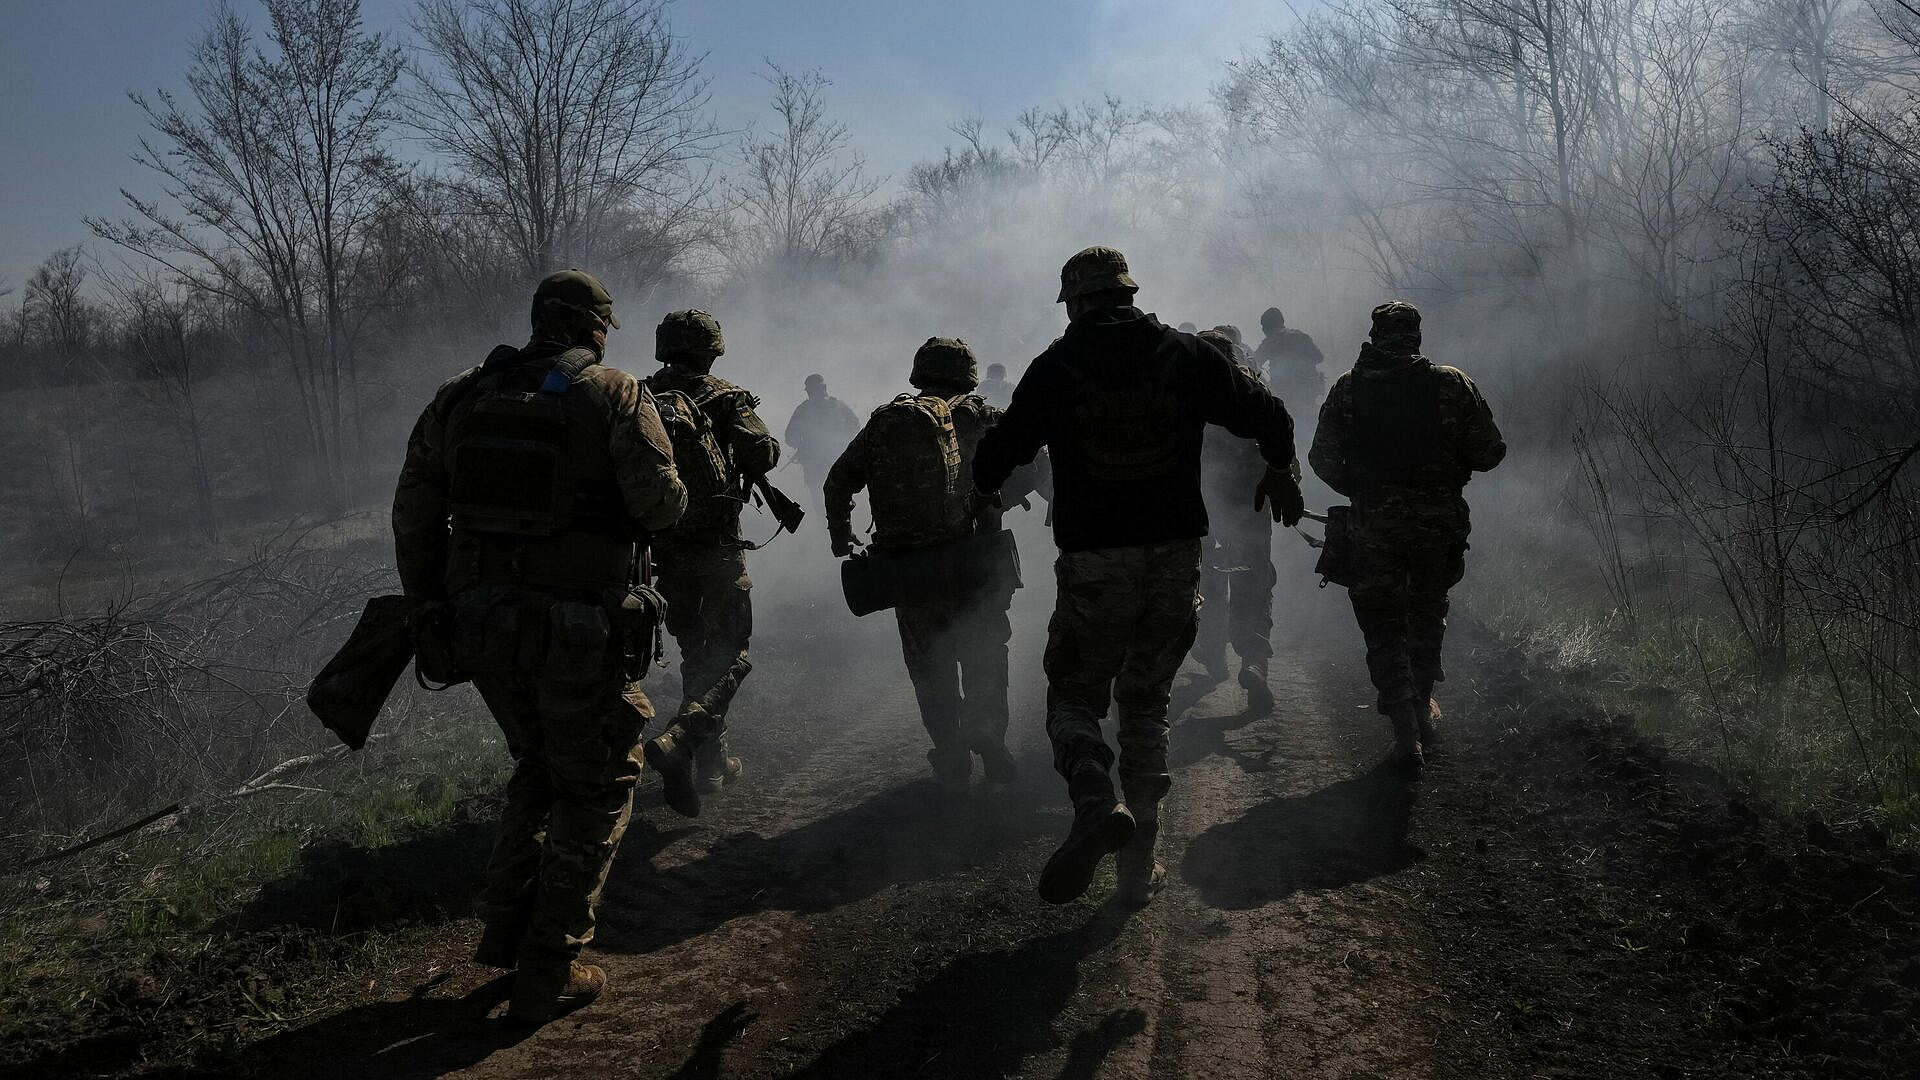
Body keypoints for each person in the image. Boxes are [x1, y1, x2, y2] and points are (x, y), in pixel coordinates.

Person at [391, 269, 686, 1023]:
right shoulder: (615, 393)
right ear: (594, 327)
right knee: (601, 780)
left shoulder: (462, 394)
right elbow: (662, 504)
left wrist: (430, 604)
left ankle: (503, 925)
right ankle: (549, 962)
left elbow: (414, 510)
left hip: (478, 628)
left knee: (539, 763)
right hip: (577, 633)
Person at [973, 246, 1302, 908]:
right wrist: (1279, 467)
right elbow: (1270, 415)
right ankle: (1138, 866)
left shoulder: (1056, 366)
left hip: (1095, 560)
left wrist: (993, 485)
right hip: (1175, 557)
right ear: (1128, 293)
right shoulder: (1187, 355)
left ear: (1074, 302)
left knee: (1073, 696)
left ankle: (1096, 797)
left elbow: (994, 460)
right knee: (1147, 702)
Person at [824, 338, 1047, 790]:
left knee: (930, 666)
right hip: (976, 566)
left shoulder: (886, 423)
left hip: (910, 572)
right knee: (985, 654)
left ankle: (949, 751)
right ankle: (987, 732)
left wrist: (841, 534)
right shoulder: (985, 418)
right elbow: (1039, 466)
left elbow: (837, 480)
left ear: (919, 374)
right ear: (967, 374)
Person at [1308, 301, 1505, 774]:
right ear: (1416, 336)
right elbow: (1489, 452)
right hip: (1437, 524)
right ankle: (1420, 708)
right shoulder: (1451, 385)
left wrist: (1363, 489)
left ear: (1375, 336)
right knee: (1425, 612)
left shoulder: (1348, 390)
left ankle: (1403, 726)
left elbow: (1321, 459)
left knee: (1381, 622)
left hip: (1374, 525)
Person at [639, 311, 782, 815]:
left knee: (696, 652)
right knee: (732, 654)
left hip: (662, 556)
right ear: (712, 348)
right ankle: (681, 741)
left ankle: (711, 763)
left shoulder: (637, 397)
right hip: (719, 549)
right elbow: (763, 454)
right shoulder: (726, 398)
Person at [1191, 329, 1279, 712]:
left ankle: (1212, 654)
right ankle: (1254, 659)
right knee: (1253, 581)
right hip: (1250, 507)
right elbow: (1279, 443)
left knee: (1205, 581)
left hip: (1200, 509)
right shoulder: (1253, 393)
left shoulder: (1183, 394)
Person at [783, 373, 860, 512]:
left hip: (830, 461)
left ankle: (830, 529)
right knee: (833, 501)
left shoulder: (806, 409)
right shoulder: (836, 405)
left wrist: (802, 446)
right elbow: (790, 436)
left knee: (827, 502)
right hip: (826, 462)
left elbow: (790, 437)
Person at [1253, 307, 1326, 428]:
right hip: (1308, 394)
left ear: (1268, 326)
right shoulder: (1301, 336)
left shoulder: (1271, 342)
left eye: (1263, 325)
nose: (1262, 329)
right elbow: (1319, 357)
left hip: (1287, 396)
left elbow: (1254, 363)